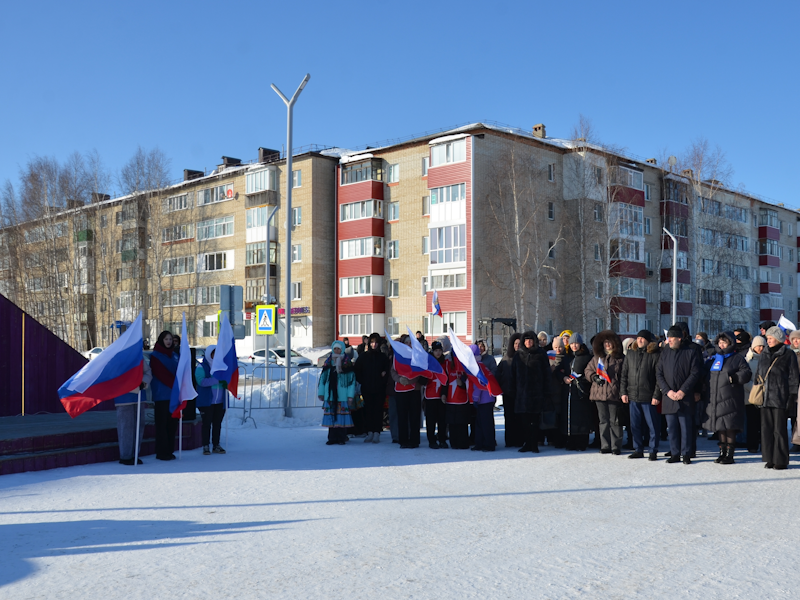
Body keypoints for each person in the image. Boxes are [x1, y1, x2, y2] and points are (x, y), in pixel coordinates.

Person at [656, 325, 704, 464]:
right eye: (668, 338)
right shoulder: (665, 352)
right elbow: (659, 373)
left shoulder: (691, 351)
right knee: (672, 428)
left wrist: (683, 390)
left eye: (671, 338)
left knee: (686, 427)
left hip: (685, 396)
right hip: (669, 396)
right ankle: (675, 453)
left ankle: (686, 454)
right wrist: (667, 391)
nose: (669, 340)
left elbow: (695, 373)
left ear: (679, 338)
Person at [704, 332, 752, 464]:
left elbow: (746, 373)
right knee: (720, 427)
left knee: (729, 426)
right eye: (720, 342)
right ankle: (722, 453)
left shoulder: (737, 358)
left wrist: (734, 378)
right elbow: (705, 374)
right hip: (715, 398)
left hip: (731, 398)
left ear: (730, 343)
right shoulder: (714, 358)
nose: (721, 345)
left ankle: (730, 455)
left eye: (724, 342)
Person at [756, 326, 800, 469]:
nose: (768, 341)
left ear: (778, 339)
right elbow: (758, 374)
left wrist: (792, 396)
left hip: (781, 397)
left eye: (770, 338)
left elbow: (794, 377)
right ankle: (769, 458)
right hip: (765, 398)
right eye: (767, 338)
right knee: (766, 430)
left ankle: (780, 460)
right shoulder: (764, 354)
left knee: (779, 430)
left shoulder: (788, 354)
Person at [620, 330, 662, 461]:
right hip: (633, 396)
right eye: (638, 338)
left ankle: (653, 450)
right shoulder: (630, 354)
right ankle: (638, 449)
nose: (639, 340)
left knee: (652, 426)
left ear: (648, 341)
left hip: (649, 397)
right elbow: (624, 375)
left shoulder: (655, 355)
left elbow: (658, 378)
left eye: (642, 338)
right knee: (634, 425)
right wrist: (623, 392)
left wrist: (656, 395)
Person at [512, 331, 553, 453]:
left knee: (535, 422)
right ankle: (527, 443)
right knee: (524, 421)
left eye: (531, 340)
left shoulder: (541, 354)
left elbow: (547, 374)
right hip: (521, 394)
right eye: (526, 340)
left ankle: (534, 444)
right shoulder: (518, 355)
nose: (528, 342)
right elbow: (513, 375)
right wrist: (513, 391)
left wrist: (546, 391)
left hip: (536, 394)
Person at [585, 330, 625, 455]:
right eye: (605, 342)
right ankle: (605, 445)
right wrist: (594, 377)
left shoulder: (620, 358)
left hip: (614, 393)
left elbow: (625, 376)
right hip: (599, 393)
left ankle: (616, 446)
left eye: (610, 342)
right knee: (603, 421)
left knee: (615, 421)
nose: (607, 345)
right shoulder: (597, 358)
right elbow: (588, 370)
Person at [114, 355, 152, 465]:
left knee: (138, 426)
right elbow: (116, 375)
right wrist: (133, 385)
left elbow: (148, 371)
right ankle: (125, 456)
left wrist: (143, 383)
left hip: (139, 396)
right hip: (124, 398)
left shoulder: (138, 357)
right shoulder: (118, 357)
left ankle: (135, 455)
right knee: (125, 427)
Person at [318, 340, 357, 445]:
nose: (336, 350)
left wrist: (350, 396)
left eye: (338, 349)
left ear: (342, 349)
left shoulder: (347, 363)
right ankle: (332, 438)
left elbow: (351, 382)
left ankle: (341, 437)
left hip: (342, 396)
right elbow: (323, 379)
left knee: (341, 417)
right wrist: (321, 393)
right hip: (330, 395)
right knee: (331, 416)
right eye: (335, 348)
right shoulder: (328, 362)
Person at [353, 332, 390, 443]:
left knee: (378, 410)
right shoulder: (363, 356)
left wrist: (383, 377)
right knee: (368, 410)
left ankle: (377, 432)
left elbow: (387, 371)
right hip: (367, 388)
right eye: (372, 342)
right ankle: (369, 432)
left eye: (376, 342)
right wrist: (363, 380)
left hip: (379, 389)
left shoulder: (383, 357)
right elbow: (357, 370)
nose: (374, 345)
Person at [149, 330, 179, 461]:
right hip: (162, 395)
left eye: (170, 340)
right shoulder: (155, 356)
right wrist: (177, 385)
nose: (169, 342)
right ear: (161, 340)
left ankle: (169, 450)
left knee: (172, 424)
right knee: (162, 425)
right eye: (166, 339)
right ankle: (161, 452)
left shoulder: (174, 355)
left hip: (174, 395)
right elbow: (161, 375)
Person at [560, 334, 592, 451]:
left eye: (576, 343)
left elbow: (590, 373)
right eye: (572, 343)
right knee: (571, 417)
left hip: (581, 391)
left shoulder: (586, 357)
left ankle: (582, 441)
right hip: (569, 391)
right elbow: (560, 370)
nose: (574, 346)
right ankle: (572, 441)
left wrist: (580, 378)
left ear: (580, 344)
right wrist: (564, 378)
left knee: (581, 417)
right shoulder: (567, 357)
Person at [194, 345, 228, 455]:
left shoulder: (222, 366)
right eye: (213, 353)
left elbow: (227, 380)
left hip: (220, 402)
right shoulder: (201, 367)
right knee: (206, 424)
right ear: (209, 354)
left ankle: (216, 444)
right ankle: (205, 445)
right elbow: (201, 381)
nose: (215, 356)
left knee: (217, 424)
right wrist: (216, 380)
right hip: (206, 401)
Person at [391, 335, 423, 449]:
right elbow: (393, 371)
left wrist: (410, 381)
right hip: (400, 388)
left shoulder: (417, 355)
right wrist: (399, 379)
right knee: (402, 416)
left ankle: (414, 440)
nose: (409, 344)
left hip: (414, 389)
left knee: (414, 416)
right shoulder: (397, 356)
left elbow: (420, 372)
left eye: (411, 342)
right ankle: (403, 440)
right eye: (407, 342)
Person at [496, 333, 523, 447]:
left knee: (520, 418)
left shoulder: (524, 358)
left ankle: (520, 440)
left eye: (519, 343)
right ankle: (510, 440)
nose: (517, 345)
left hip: (521, 394)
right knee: (509, 417)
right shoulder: (505, 358)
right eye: (515, 343)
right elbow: (498, 374)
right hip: (508, 393)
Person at [470, 344, 497, 451]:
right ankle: (480, 443)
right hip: (487, 398)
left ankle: (488, 444)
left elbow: (479, 384)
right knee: (482, 423)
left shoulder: (477, 367)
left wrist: (475, 399)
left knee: (485, 423)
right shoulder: (481, 365)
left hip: (484, 399)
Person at [421, 341, 448, 449]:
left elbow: (446, 380)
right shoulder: (427, 363)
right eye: (436, 350)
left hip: (441, 396)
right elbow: (422, 380)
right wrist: (427, 375)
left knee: (442, 419)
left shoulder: (444, 363)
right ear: (432, 351)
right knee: (431, 420)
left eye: (440, 351)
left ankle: (442, 439)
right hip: (430, 396)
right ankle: (431, 440)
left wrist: (444, 393)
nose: (438, 353)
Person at [445, 350, 471, 449]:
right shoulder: (448, 366)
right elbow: (444, 380)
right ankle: (453, 442)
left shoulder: (465, 366)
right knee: (452, 422)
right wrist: (443, 394)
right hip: (450, 399)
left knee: (461, 422)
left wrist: (462, 384)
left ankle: (463, 442)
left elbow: (469, 381)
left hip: (462, 398)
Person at [744, 336, 765, 453]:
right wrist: (755, 389)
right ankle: (752, 445)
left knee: (763, 423)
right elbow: (745, 379)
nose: (760, 348)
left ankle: (764, 444)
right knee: (752, 424)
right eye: (758, 346)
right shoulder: (748, 359)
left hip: (765, 396)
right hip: (750, 397)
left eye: (763, 346)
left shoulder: (767, 359)